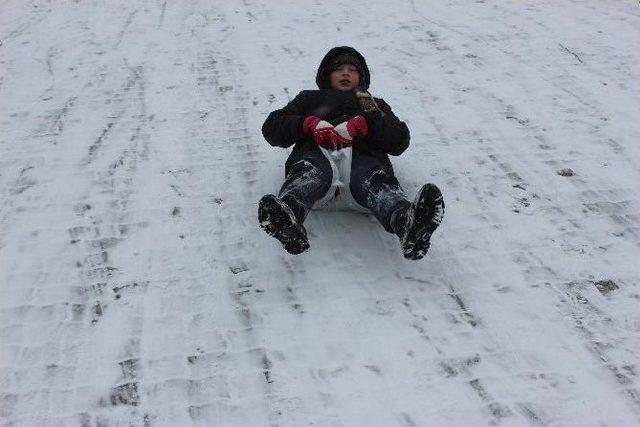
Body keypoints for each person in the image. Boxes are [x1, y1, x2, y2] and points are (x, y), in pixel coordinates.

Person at [258, 46, 444, 260]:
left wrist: (369, 125)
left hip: (362, 177)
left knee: (373, 176)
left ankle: (406, 222)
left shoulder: (372, 104)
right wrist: (307, 124)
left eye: (352, 69)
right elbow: (272, 129)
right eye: (339, 68)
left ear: (361, 77)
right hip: (320, 165)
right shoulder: (309, 99)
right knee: (310, 170)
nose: (346, 73)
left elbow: (400, 140)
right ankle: (288, 217)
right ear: (327, 75)